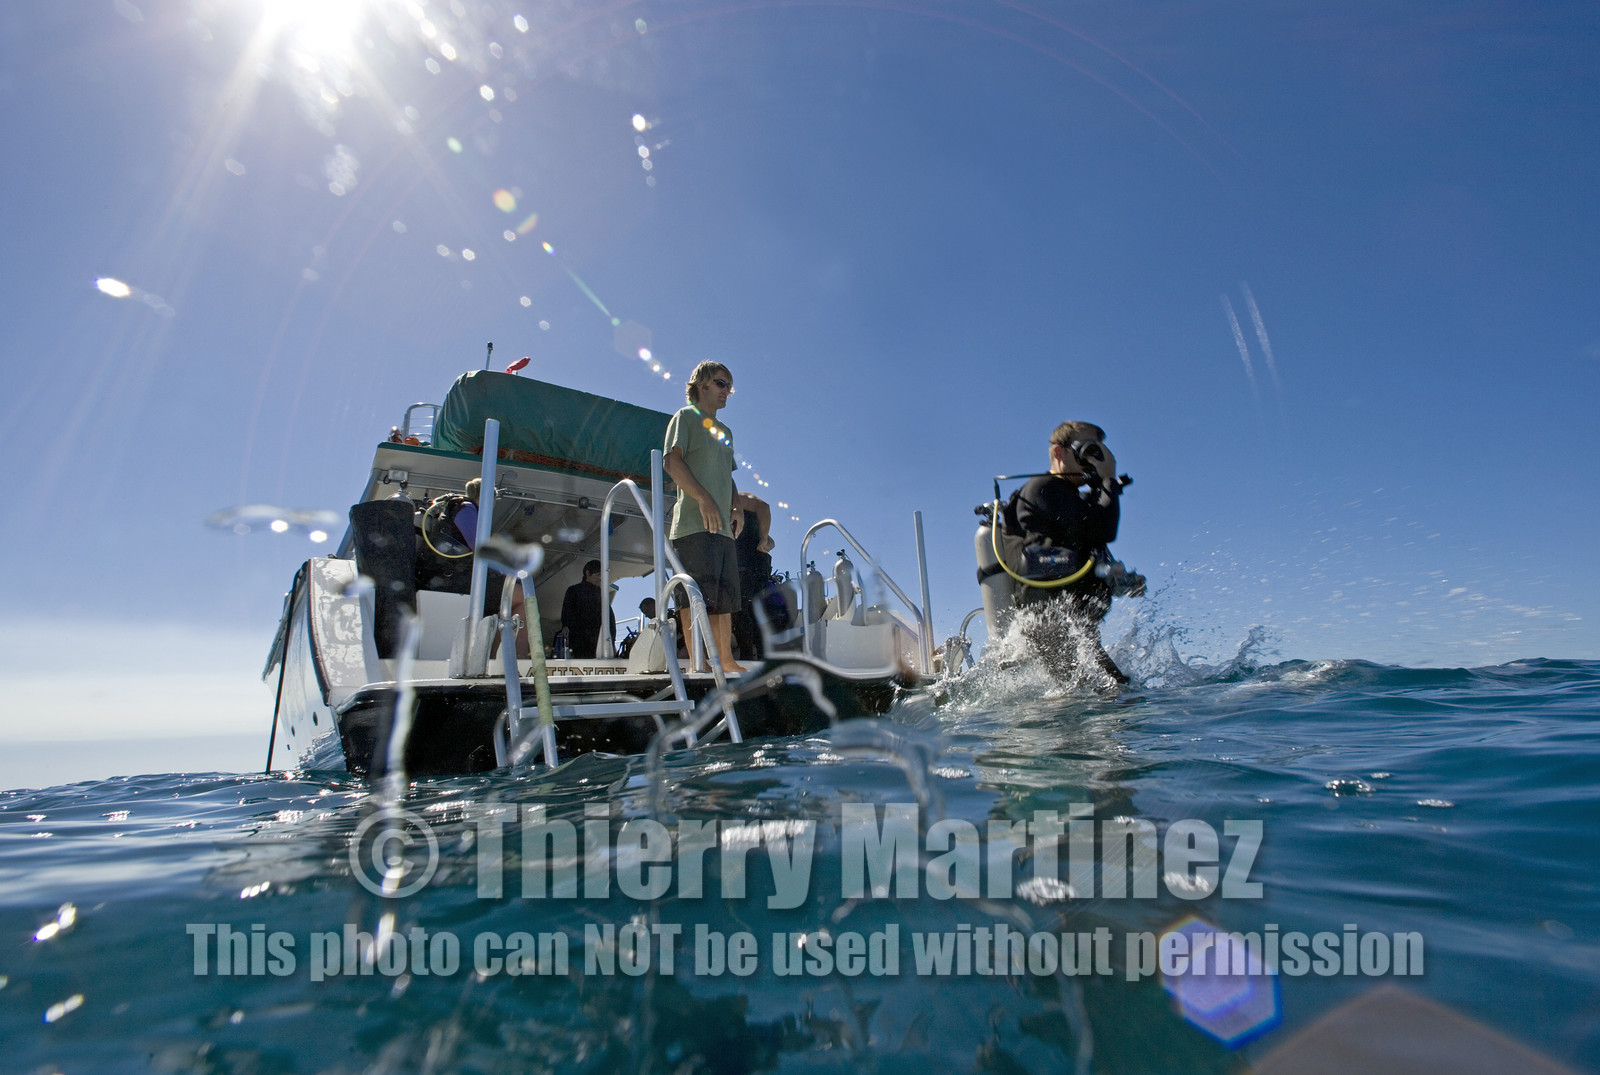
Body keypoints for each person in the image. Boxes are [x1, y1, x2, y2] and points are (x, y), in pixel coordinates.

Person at [1011, 421, 1143, 685]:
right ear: (1059, 453)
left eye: (1099, 451)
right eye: (1087, 450)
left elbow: (1091, 542)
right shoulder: (1044, 487)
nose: (1094, 458)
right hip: (1049, 624)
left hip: (1074, 627)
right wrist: (1107, 480)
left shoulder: (1074, 497)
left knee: (1118, 690)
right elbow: (1102, 529)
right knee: (1082, 696)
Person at [663, 361, 746, 675]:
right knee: (694, 595)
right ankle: (699, 662)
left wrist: (736, 506)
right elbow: (672, 462)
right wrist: (704, 499)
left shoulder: (725, 432)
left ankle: (725, 659)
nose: (727, 392)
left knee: (724, 598)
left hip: (723, 529)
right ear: (702, 383)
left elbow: (728, 476)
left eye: (730, 387)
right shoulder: (685, 417)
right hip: (692, 525)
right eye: (722, 383)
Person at [730, 492, 777, 659]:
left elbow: (764, 506)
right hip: (744, 564)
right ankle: (757, 654)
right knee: (747, 610)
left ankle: (750, 655)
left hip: (748, 564)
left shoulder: (736, 496)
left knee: (743, 609)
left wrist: (764, 538)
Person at [558, 559, 616, 660]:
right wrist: (566, 626)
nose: (600, 578)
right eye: (598, 575)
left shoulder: (602, 594)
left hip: (600, 642)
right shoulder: (574, 591)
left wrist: (612, 640)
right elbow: (567, 612)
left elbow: (610, 618)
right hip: (580, 643)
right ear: (588, 573)